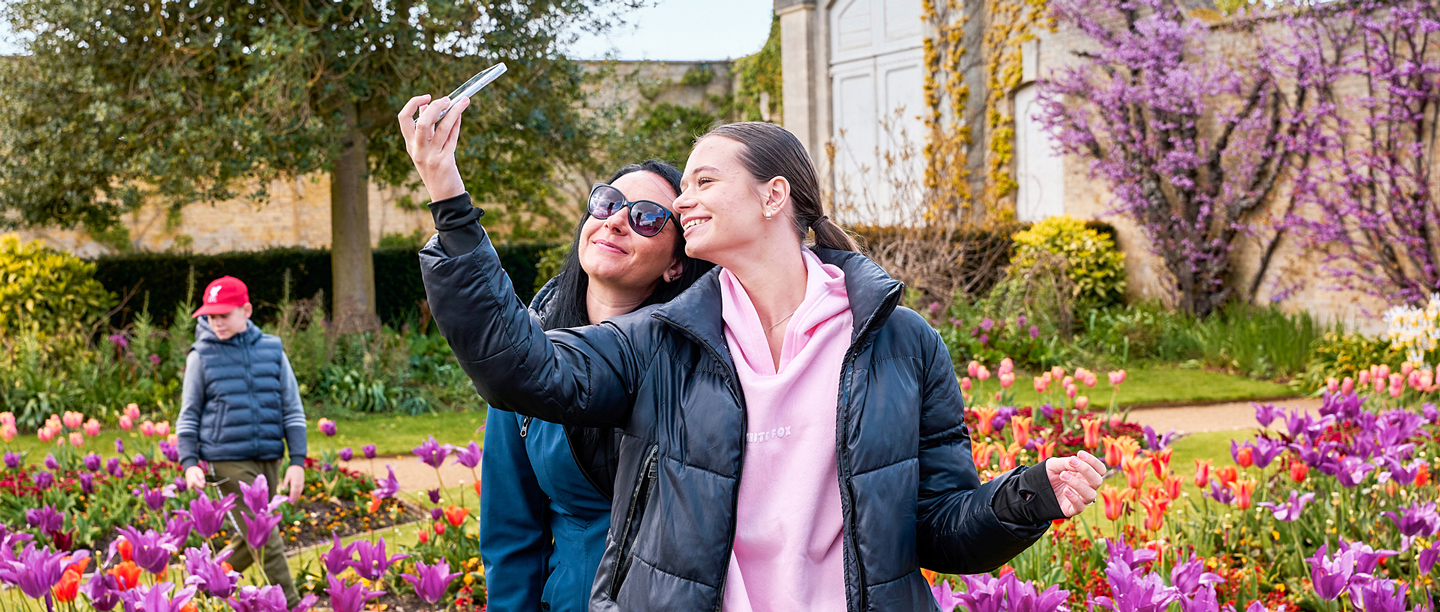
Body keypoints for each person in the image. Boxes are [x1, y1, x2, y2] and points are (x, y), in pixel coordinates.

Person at [404, 94, 1106, 611]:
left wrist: (1026, 497)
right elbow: (518, 367)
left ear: (774, 196)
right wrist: (449, 198)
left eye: (704, 181)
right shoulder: (661, 343)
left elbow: (938, 531)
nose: (683, 202)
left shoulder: (902, 342)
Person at [480, 159, 713, 612]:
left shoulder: (701, 363)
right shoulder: (528, 352)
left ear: (675, 266)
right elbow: (510, 535)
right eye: (608, 203)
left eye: (647, 217)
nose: (617, 220)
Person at [176, 275, 306, 607]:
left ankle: (203, 584)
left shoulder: (272, 349)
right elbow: (188, 414)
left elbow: (292, 409)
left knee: (252, 539)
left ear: (245, 310)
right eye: (210, 315)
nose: (216, 321)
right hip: (226, 459)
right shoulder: (201, 357)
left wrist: (297, 461)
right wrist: (190, 462)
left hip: (268, 458)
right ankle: (290, 603)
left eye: (224, 313)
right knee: (266, 535)